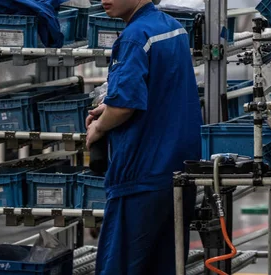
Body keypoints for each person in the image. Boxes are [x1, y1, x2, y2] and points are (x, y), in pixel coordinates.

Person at [84, 0, 202, 274]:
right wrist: (110, 108)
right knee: (165, 266)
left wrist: (99, 127)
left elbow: (125, 106)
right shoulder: (173, 29)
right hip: (177, 171)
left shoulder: (135, 37)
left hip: (141, 174)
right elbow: (159, 90)